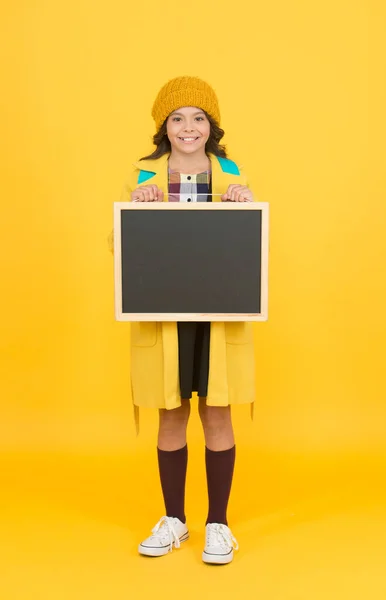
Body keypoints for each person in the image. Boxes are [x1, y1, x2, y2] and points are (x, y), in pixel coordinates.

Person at [109, 76, 256, 565]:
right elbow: (119, 246)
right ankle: (175, 520)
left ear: (211, 126)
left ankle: (218, 523)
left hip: (218, 317)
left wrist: (243, 203)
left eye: (198, 118)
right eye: (177, 118)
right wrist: (136, 209)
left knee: (217, 412)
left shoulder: (233, 175)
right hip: (163, 316)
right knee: (169, 413)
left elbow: (253, 249)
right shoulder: (140, 177)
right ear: (163, 126)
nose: (187, 127)